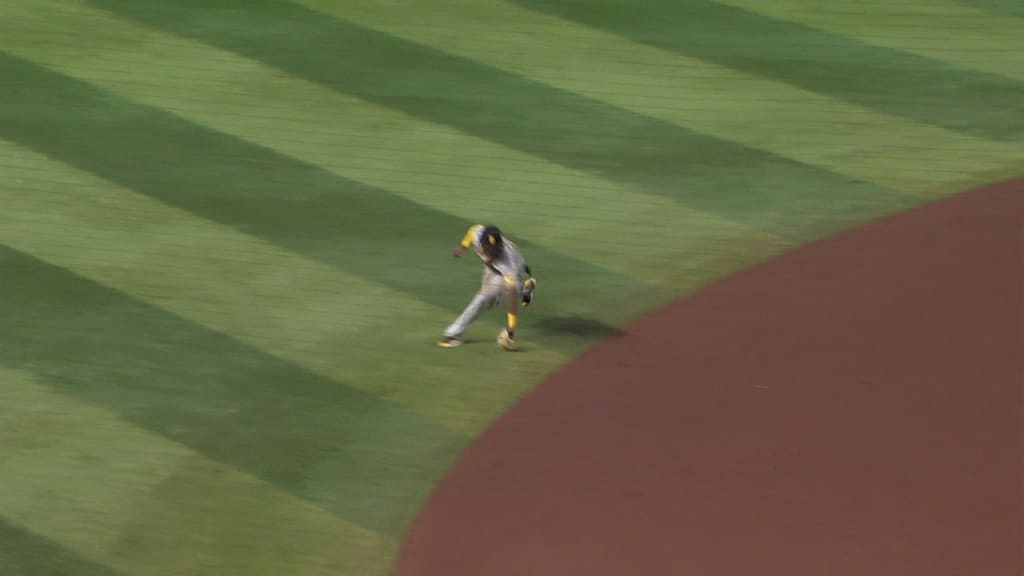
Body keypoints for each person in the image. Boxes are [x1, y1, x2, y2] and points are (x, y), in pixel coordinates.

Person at [437, 224, 537, 350]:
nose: (491, 252)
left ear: (500, 246)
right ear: (482, 242)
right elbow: (473, 230)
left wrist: (510, 328)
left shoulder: (508, 262)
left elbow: (510, 293)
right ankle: (526, 289)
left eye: (494, 250)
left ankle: (453, 335)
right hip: (493, 270)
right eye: (489, 248)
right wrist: (462, 247)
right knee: (487, 299)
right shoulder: (478, 234)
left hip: (511, 272)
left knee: (487, 298)